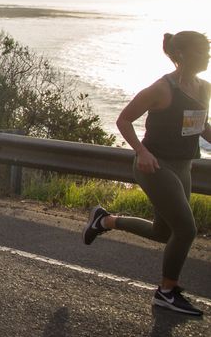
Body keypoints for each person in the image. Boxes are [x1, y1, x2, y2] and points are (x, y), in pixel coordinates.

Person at [84, 31, 209, 317]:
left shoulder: (204, 88)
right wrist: (141, 151)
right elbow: (124, 119)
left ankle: (105, 220)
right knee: (186, 229)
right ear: (183, 55)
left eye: (208, 51)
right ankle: (166, 292)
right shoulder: (161, 89)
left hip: (183, 165)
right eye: (201, 51)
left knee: (163, 232)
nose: (207, 56)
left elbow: (201, 127)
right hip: (154, 166)